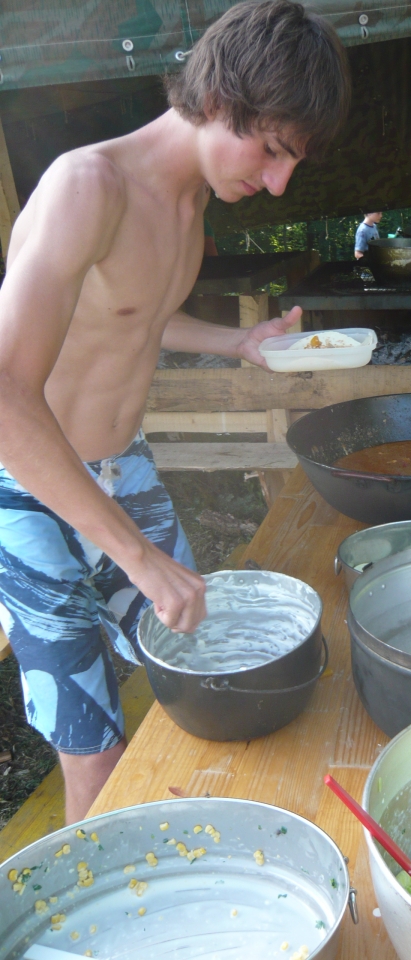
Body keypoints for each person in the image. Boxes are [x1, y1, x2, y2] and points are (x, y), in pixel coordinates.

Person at [0, 0, 350, 823]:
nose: (278, 182)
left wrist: (239, 342)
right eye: (272, 149)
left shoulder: (189, 206)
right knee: (93, 748)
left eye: (292, 161)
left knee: (208, 673)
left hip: (127, 468)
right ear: (220, 99)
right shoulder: (87, 187)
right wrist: (139, 558)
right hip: (31, 493)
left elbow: (136, 316)